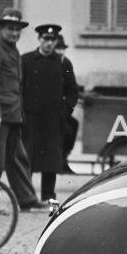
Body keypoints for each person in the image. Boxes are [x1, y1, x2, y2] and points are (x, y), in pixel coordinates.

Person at [0, 8, 44, 213]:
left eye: (17, 29)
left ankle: (27, 200)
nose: (14, 33)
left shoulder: (11, 50)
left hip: (11, 115)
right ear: (1, 29)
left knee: (17, 159)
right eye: (10, 28)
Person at [21, 24, 79, 201]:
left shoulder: (63, 63)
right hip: (31, 119)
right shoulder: (26, 61)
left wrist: (65, 112)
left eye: (52, 40)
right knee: (28, 158)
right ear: (39, 39)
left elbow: (72, 91)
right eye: (46, 39)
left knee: (50, 160)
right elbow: (18, 87)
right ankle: (26, 196)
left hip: (53, 120)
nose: (49, 43)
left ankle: (48, 195)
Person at [54, 34, 80, 174]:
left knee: (72, 126)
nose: (60, 52)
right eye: (57, 48)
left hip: (61, 110)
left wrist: (66, 110)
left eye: (62, 49)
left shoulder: (66, 63)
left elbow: (72, 90)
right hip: (43, 111)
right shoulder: (44, 63)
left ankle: (63, 159)